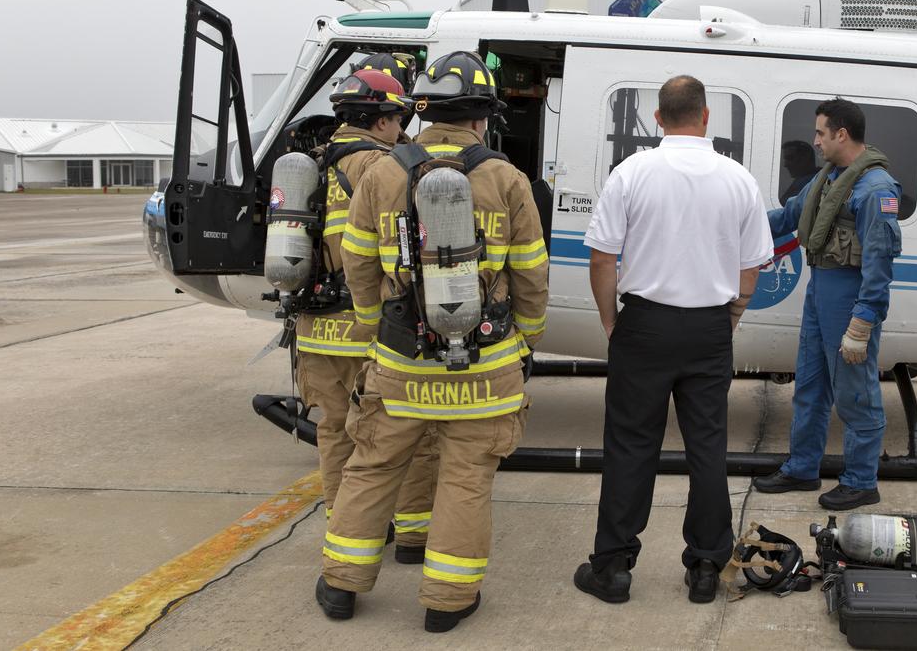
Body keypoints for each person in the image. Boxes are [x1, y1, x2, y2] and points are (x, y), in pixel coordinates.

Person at [316, 51, 549, 632]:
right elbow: (531, 273)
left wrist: (373, 325)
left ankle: (342, 584)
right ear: (482, 118)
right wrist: (528, 339)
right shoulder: (507, 178)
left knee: (371, 466)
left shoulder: (383, 173)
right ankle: (446, 602)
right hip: (485, 368)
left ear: (425, 111)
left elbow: (358, 263)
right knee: (466, 479)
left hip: (399, 363)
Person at [573, 75, 772, 605]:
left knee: (631, 445)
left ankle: (613, 567)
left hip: (644, 324)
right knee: (707, 448)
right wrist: (729, 318)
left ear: (658, 119)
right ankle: (706, 567)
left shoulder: (632, 172)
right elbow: (752, 263)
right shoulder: (737, 179)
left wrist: (612, 323)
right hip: (708, 327)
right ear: (706, 118)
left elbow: (601, 256)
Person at [293, 56, 435, 563]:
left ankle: (345, 526)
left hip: (313, 325)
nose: (402, 129)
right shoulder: (382, 168)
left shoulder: (311, 163)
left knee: (333, 431)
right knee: (402, 430)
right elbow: (398, 249)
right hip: (365, 323)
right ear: (380, 121)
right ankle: (412, 535)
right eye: (398, 119)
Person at [753, 98, 902, 511]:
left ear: (841, 134)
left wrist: (863, 322)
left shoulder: (875, 189)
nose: (815, 141)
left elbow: (879, 263)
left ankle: (860, 480)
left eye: (821, 133)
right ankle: (802, 467)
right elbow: (788, 217)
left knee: (855, 392)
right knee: (811, 386)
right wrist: (735, 218)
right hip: (820, 291)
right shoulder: (828, 181)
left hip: (849, 298)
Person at [779, 139, 818, 205]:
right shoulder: (803, 180)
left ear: (805, 159)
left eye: (790, 158)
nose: (785, 164)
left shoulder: (809, 183)